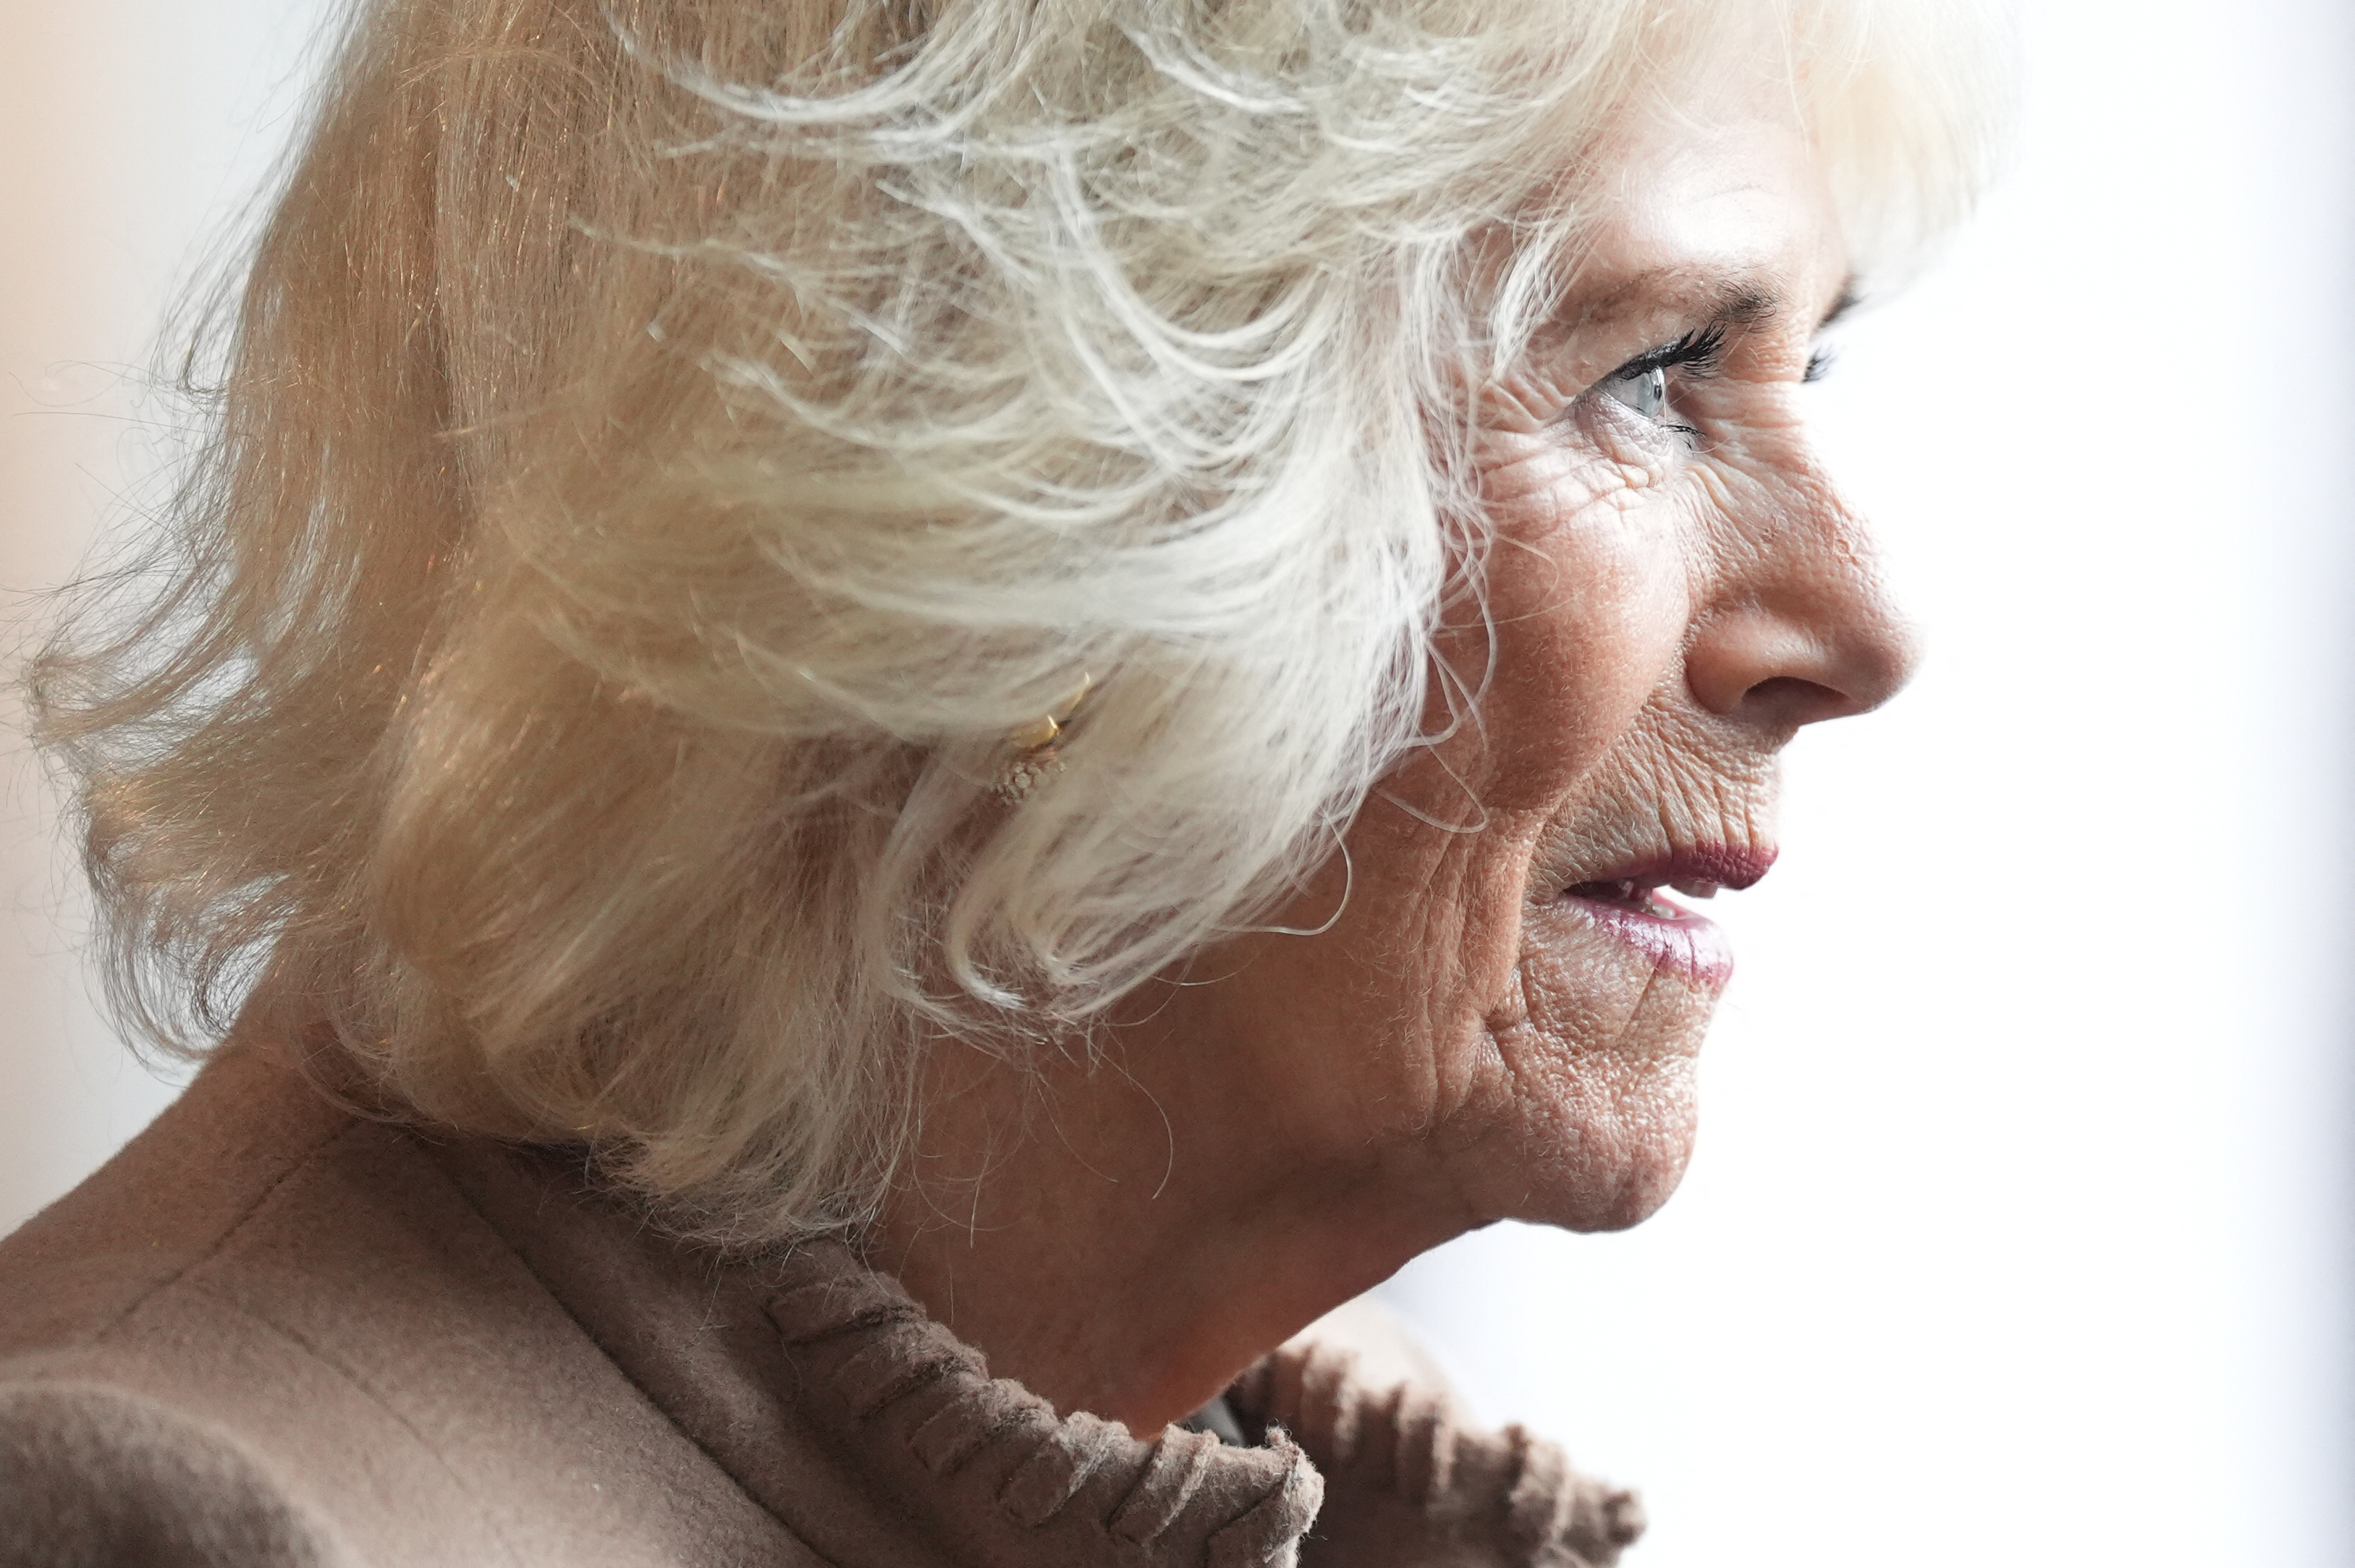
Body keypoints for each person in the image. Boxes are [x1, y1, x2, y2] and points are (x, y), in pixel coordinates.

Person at [0, 0, 2001, 1563]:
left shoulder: (1287, 1455)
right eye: (1652, 372)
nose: (1864, 624)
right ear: (1015, 466)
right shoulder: (164, 1520)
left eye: (1804, 366)